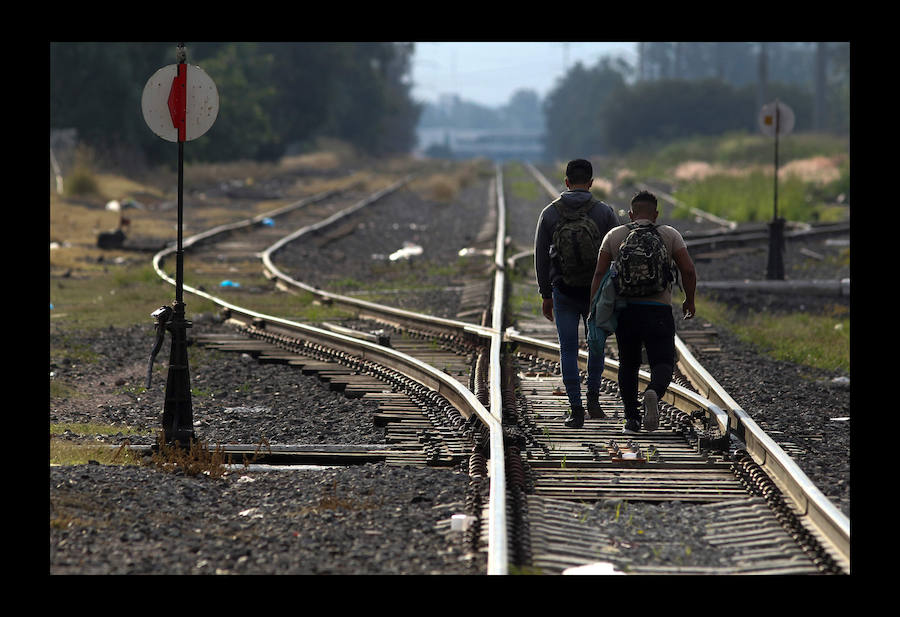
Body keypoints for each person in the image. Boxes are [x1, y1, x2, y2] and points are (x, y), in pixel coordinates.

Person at [589, 190, 697, 434]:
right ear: (656, 215)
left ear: (630, 214)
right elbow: (688, 270)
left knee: (628, 363)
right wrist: (689, 300)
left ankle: (631, 419)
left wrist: (594, 308)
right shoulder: (670, 235)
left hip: (626, 311)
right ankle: (653, 392)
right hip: (659, 310)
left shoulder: (615, 236)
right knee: (663, 361)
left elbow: (598, 274)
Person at [534, 159, 619, 428]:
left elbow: (540, 258)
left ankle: (575, 408)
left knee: (568, 349)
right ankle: (593, 399)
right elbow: (619, 253)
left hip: (564, 291)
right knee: (596, 345)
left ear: (566, 182)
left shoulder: (549, 213)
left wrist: (545, 293)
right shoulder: (604, 212)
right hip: (596, 294)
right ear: (591, 183)